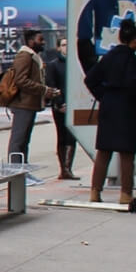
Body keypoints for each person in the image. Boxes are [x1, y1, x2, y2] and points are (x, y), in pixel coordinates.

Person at [86, 20, 136, 206]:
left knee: (103, 152)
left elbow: (90, 79)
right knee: (127, 153)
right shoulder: (130, 58)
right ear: (134, 40)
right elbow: (133, 85)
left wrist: (103, 95)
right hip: (127, 110)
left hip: (109, 107)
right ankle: (126, 194)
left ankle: (95, 192)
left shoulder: (109, 56)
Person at [3, 28, 56, 166]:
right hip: (22, 104)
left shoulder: (33, 56)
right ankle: (16, 172)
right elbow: (20, 80)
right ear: (31, 41)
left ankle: (22, 171)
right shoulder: (25, 56)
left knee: (24, 140)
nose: (43, 43)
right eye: (40, 40)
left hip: (28, 104)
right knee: (19, 140)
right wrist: (43, 90)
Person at [44, 36, 77, 180]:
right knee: (62, 136)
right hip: (60, 107)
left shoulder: (76, 64)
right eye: (63, 45)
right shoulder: (53, 65)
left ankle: (68, 168)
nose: (66, 47)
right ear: (58, 47)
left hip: (74, 105)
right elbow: (52, 85)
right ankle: (63, 169)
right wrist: (59, 103)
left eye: (68, 44)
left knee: (73, 137)